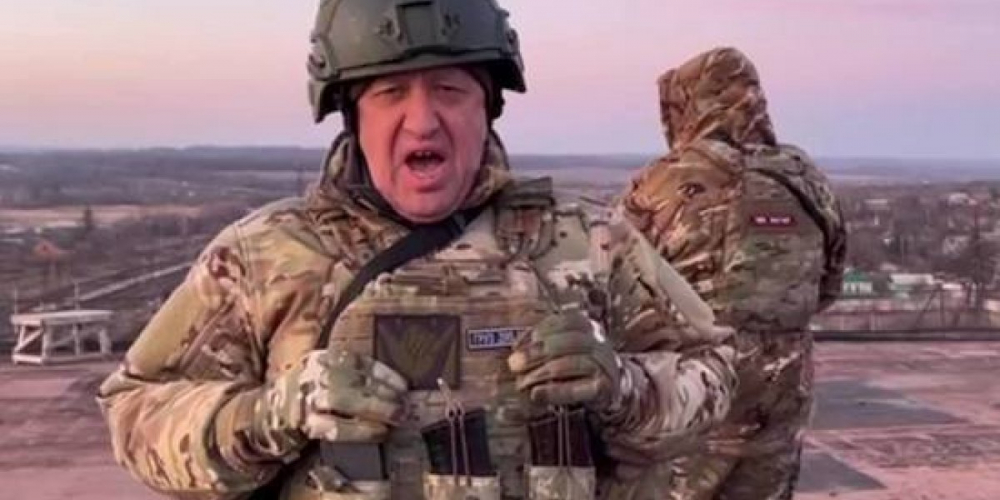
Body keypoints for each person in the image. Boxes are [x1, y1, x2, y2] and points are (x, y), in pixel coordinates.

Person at [97, 2, 738, 499]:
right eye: (391, 93)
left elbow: (713, 372)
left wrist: (622, 386)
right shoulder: (265, 258)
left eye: (450, 90)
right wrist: (269, 416)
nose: (424, 119)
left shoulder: (588, 242)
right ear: (353, 116)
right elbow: (135, 415)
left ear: (488, 108)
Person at [619, 47, 848, 499]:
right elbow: (829, 285)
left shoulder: (661, 183)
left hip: (697, 391)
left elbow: (618, 285)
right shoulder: (806, 180)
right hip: (782, 393)